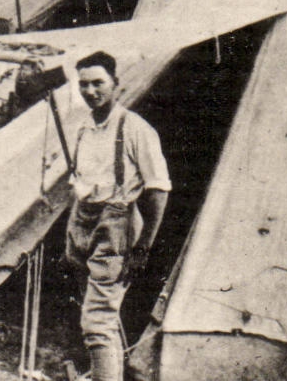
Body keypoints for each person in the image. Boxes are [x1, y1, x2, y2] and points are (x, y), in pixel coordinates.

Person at [65, 51, 169, 381]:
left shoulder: (136, 129)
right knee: (98, 316)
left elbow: (158, 190)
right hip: (83, 225)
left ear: (115, 83)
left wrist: (143, 247)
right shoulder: (83, 128)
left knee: (96, 323)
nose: (90, 91)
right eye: (84, 84)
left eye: (98, 83)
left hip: (117, 229)